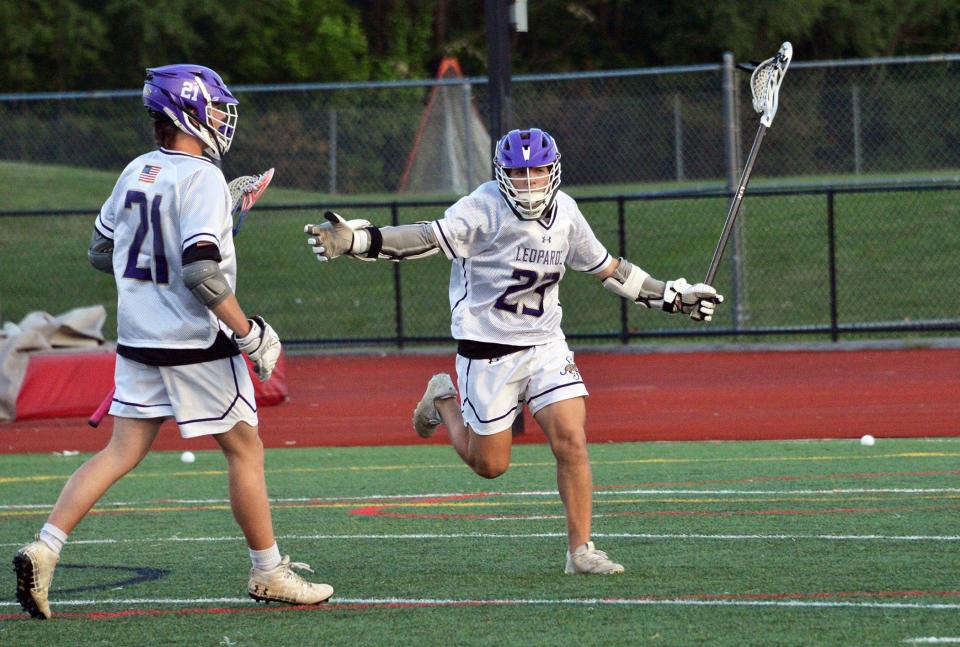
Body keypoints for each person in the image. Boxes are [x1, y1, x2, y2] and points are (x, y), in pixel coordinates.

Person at [303, 128, 723, 575]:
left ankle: (580, 551)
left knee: (572, 440)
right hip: (486, 347)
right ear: (502, 174)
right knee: (490, 466)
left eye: (537, 170)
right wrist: (360, 240)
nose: (528, 182)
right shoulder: (483, 206)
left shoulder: (566, 213)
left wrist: (674, 297)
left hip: (544, 344)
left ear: (553, 170)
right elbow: (426, 237)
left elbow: (608, 269)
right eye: (518, 172)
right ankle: (443, 398)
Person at [13, 64, 333, 620]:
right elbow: (202, 272)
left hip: (139, 339)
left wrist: (211, 219)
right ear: (187, 113)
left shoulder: (135, 170)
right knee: (245, 449)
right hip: (194, 342)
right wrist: (248, 331)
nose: (220, 119)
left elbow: (99, 252)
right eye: (213, 108)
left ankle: (45, 545)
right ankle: (268, 571)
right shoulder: (202, 177)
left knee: (120, 451)